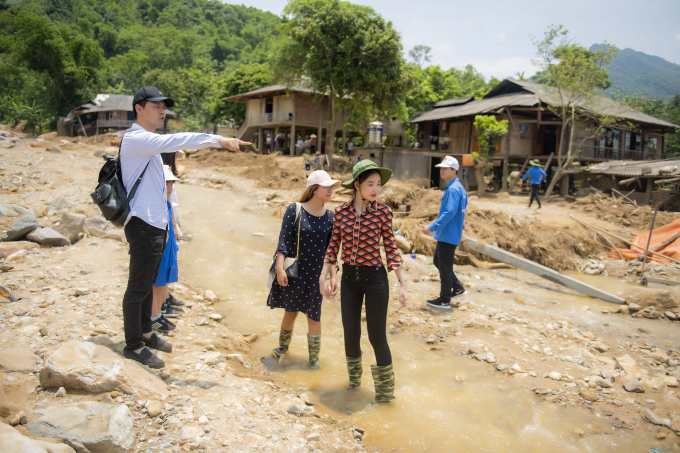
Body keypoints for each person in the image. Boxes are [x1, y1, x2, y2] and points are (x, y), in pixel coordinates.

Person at [120, 86, 249, 368]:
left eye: (164, 106)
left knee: (147, 282)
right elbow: (183, 138)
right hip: (142, 223)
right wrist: (218, 140)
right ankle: (134, 346)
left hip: (154, 223)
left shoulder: (148, 141)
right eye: (155, 106)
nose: (162, 110)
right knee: (138, 286)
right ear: (139, 109)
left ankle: (145, 331)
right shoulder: (138, 139)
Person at [321, 160, 409, 403]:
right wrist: (325, 275)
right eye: (370, 184)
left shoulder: (383, 213)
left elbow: (391, 249)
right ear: (357, 184)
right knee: (350, 334)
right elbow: (332, 246)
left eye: (378, 185)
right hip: (349, 279)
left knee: (376, 337)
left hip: (376, 281)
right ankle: (354, 385)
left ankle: (385, 395)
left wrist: (402, 282)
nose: (375, 189)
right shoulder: (340, 213)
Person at [268, 171, 339, 369]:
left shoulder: (331, 217)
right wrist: (280, 269)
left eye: (332, 187)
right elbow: (284, 242)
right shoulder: (295, 210)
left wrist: (334, 277)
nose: (331, 190)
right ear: (314, 189)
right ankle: (283, 347)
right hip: (296, 272)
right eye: (327, 187)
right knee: (290, 312)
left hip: (318, 276)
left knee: (314, 316)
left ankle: (313, 359)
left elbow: (331, 252)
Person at [421, 156, 468, 309]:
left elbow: (449, 212)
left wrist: (432, 227)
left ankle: (444, 300)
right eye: (441, 168)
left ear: (454, 170)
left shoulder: (453, 189)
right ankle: (457, 287)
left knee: (445, 266)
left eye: (445, 168)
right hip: (450, 233)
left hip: (448, 234)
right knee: (438, 262)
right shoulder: (458, 187)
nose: (442, 171)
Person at [150, 165, 181, 332]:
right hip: (159, 245)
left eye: (172, 183)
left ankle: (159, 312)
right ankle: (154, 317)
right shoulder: (157, 203)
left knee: (164, 277)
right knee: (156, 280)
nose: (171, 187)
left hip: (166, 245)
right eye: (168, 183)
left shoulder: (167, 203)